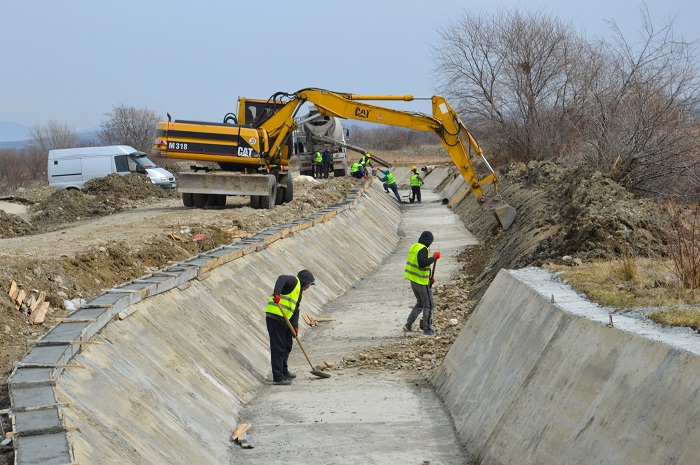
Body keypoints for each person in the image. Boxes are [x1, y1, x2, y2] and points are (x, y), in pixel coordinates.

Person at [265, 269, 316, 385]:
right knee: (278, 347)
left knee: (287, 345)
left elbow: (295, 311)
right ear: (305, 281)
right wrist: (276, 293)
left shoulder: (299, 293)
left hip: (285, 319)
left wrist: (295, 327)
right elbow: (281, 278)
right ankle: (278, 377)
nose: (308, 288)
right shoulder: (294, 281)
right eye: (309, 285)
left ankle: (284, 371)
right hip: (275, 316)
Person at [403, 231, 440, 336]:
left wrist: (429, 277)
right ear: (428, 240)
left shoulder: (415, 246)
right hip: (420, 281)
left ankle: (408, 325)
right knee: (429, 305)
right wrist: (434, 258)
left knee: (420, 303)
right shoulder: (423, 248)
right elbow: (422, 263)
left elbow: (417, 264)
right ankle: (427, 330)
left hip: (413, 280)